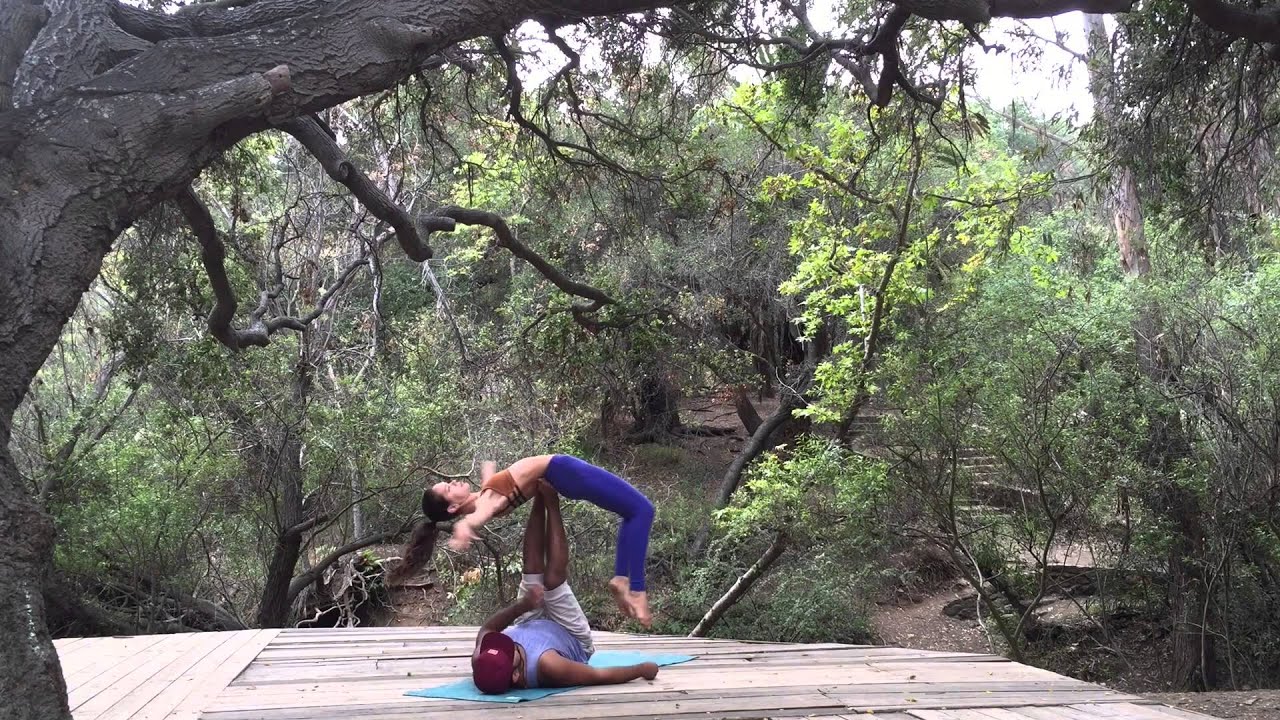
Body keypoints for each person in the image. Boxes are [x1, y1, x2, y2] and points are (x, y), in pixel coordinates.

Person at [393, 454, 655, 626]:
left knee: (631, 513)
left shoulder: (484, 494)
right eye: (448, 488)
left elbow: (487, 489)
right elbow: (484, 510)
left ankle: (622, 578)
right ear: (452, 508)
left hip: (562, 477)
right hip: (565, 470)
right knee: (642, 510)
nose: (452, 481)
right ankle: (637, 590)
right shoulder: (487, 501)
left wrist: (487, 469)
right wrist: (466, 525)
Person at [471, 484, 659, 694]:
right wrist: (641, 670)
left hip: (529, 622)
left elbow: (487, 629)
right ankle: (552, 501)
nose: (506, 642)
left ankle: (539, 495)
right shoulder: (548, 666)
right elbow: (598, 675)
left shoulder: (483, 658)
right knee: (552, 580)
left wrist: (522, 606)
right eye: (510, 648)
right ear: (516, 675)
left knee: (532, 570)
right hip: (570, 634)